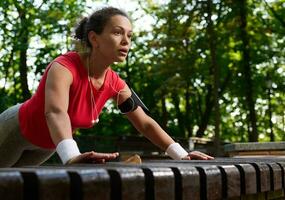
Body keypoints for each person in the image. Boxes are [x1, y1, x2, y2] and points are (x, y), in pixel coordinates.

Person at [0, 7, 213, 167]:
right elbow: (55, 113)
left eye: (129, 36)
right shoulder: (64, 67)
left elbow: (145, 123)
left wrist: (181, 155)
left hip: (47, 145)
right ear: (94, 38)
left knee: (13, 190)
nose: (126, 42)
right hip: (16, 130)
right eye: (118, 33)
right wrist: (72, 156)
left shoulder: (116, 84)